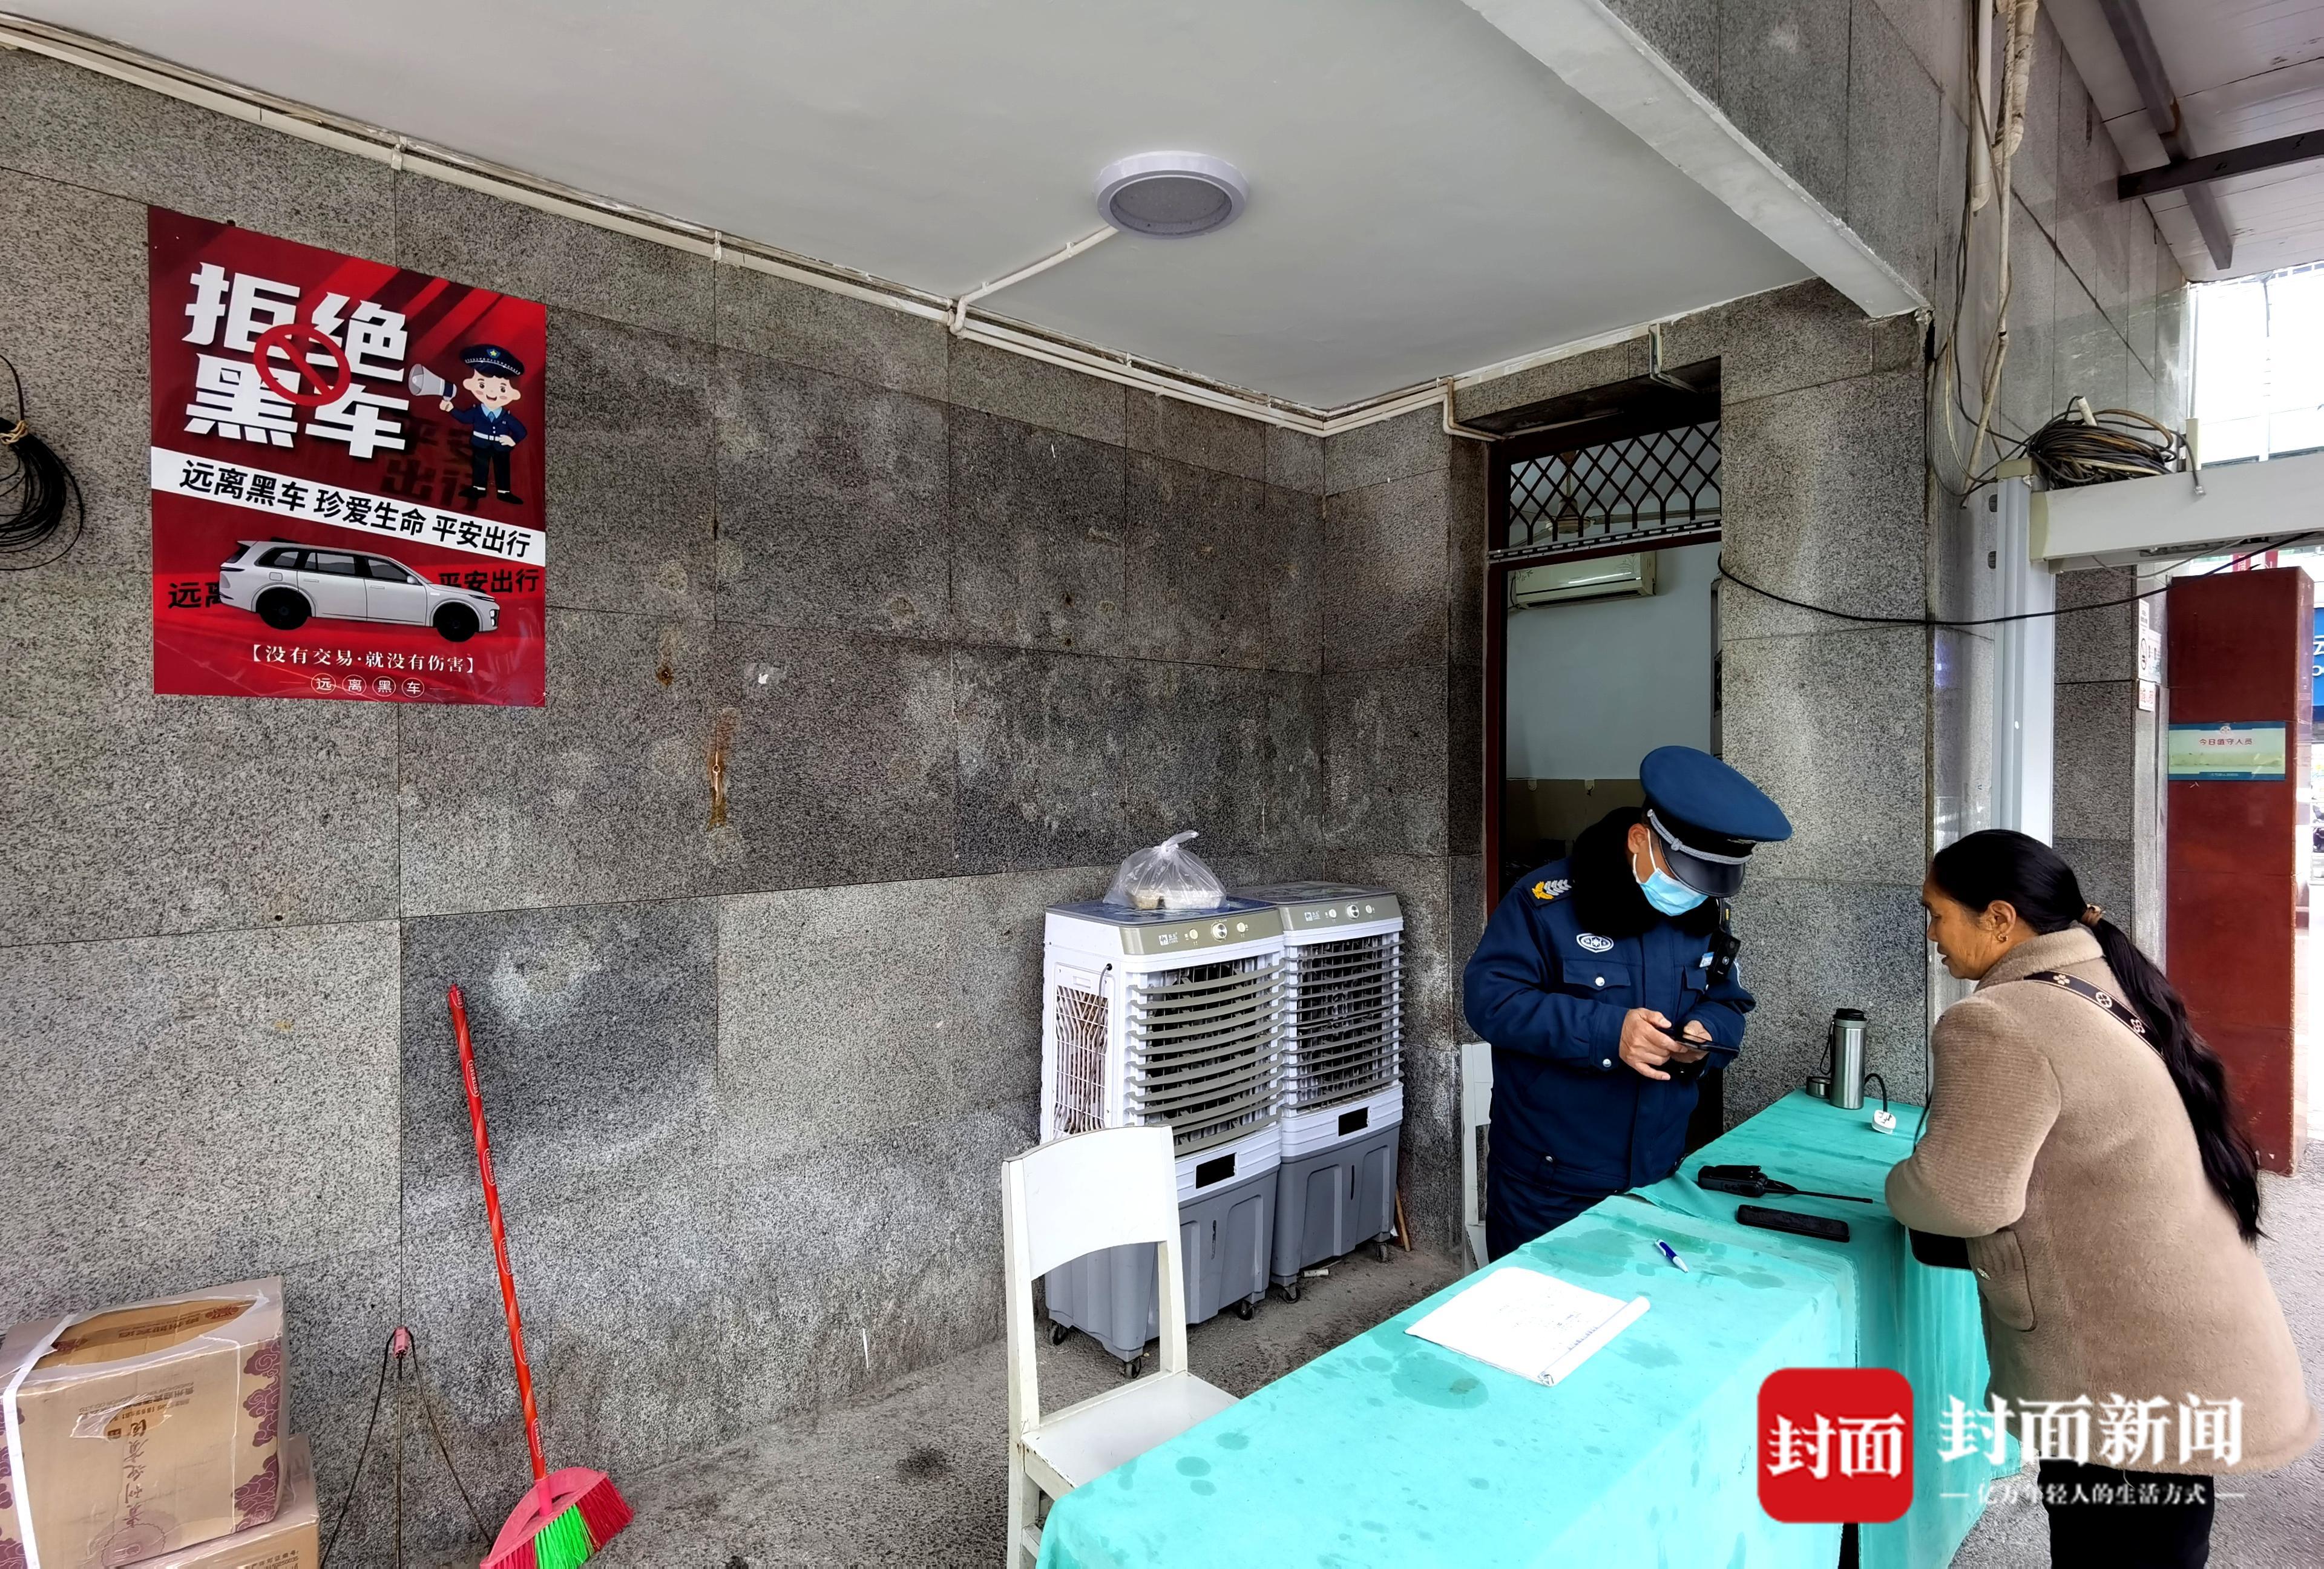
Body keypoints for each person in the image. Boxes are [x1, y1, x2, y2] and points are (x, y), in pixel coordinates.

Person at [1889, 830, 2317, 1568]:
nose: (1932, 935)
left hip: (2122, 1370)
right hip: (2180, 1352)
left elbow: (1956, 1199)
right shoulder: (2103, 979)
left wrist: (1898, 1181)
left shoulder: (2000, 1019)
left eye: (1937, 914)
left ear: (2000, 918)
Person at [1462, 746, 1791, 1258]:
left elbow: (1729, 1001)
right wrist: (1608, 1033)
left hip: (1658, 1173)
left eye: (1704, 881)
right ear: (1640, 840)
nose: (1690, 893)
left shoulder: (1700, 914)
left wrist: (1706, 1036)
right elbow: (1491, 1001)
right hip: (1549, 1184)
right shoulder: (1545, 903)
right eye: (1683, 874)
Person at [438, 343, 528, 506]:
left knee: (502, 468)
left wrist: (513, 440)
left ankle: (504, 492)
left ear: (514, 394)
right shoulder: (477, 411)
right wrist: (451, 409)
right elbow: (465, 418)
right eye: (482, 385)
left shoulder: (507, 417)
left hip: (501, 446)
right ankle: (478, 489)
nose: (491, 393)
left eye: (502, 389)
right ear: (470, 384)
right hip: (481, 444)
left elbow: (521, 431)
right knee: (480, 466)